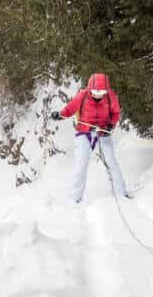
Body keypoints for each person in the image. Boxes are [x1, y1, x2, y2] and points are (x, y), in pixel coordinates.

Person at [51, 73, 132, 203]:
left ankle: (122, 192)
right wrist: (59, 115)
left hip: (102, 132)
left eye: (101, 92)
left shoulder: (110, 96)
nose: (98, 95)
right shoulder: (82, 95)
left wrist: (110, 126)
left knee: (111, 161)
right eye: (95, 92)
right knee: (81, 165)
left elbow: (115, 112)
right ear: (90, 89)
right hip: (84, 133)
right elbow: (70, 109)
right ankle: (75, 198)